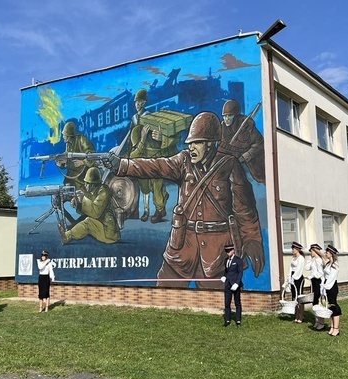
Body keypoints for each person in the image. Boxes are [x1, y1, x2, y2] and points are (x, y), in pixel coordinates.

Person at [104, 111, 264, 287]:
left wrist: (252, 240)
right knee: (163, 295)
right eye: (190, 143)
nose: (191, 148)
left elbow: (245, 209)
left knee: (220, 300)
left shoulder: (229, 165)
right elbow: (156, 166)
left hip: (216, 252)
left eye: (197, 143)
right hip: (181, 246)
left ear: (211, 144)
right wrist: (122, 165)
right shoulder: (183, 161)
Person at [126, 88, 177, 223]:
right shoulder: (134, 118)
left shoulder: (150, 117)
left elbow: (162, 136)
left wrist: (160, 138)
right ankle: (147, 211)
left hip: (153, 154)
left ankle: (160, 209)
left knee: (156, 184)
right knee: (145, 186)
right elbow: (131, 137)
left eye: (140, 101)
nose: (138, 104)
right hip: (141, 153)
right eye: (136, 101)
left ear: (144, 102)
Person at [61, 167, 120, 244]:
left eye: (87, 183)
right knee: (85, 219)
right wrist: (78, 203)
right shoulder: (94, 192)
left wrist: (83, 199)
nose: (85, 185)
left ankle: (67, 236)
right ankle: (69, 232)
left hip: (108, 233)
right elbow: (86, 210)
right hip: (102, 225)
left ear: (94, 184)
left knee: (88, 222)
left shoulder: (104, 192)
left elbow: (95, 212)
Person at [218, 99, 265, 183]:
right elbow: (221, 146)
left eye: (230, 116)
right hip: (233, 162)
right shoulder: (223, 127)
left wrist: (245, 156)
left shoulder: (248, 125)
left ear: (236, 116)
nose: (226, 119)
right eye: (225, 116)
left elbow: (260, 144)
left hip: (252, 164)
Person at [57, 121, 95, 191]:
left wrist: (82, 162)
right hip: (73, 173)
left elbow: (92, 155)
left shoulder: (82, 140)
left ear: (69, 136)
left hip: (84, 173)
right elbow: (67, 153)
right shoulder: (68, 143)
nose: (63, 137)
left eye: (64, 135)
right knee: (67, 187)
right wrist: (61, 160)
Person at [221, 244, 243, 326]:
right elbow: (227, 271)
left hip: (235, 285)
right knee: (227, 303)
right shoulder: (226, 260)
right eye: (226, 251)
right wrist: (224, 276)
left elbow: (240, 273)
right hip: (228, 284)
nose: (227, 253)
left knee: (237, 303)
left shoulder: (238, 260)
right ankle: (227, 320)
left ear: (233, 250)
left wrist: (237, 283)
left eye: (229, 251)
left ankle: (238, 321)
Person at [305, 243, 326, 330]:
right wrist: (310, 259)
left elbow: (320, 273)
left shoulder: (318, 260)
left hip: (318, 282)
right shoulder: (314, 260)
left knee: (318, 302)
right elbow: (307, 267)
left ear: (315, 251)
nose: (310, 252)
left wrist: (311, 276)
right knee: (314, 301)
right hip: (313, 282)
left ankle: (321, 322)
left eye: (311, 251)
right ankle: (317, 321)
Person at [323, 244, 341, 336]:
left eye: (327, 252)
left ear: (331, 254)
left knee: (334, 305)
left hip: (331, 286)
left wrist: (325, 286)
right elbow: (325, 276)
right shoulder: (328, 264)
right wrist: (322, 285)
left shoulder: (335, 265)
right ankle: (332, 327)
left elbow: (331, 278)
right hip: (326, 285)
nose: (326, 254)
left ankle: (336, 329)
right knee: (330, 306)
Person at [290, 242, 306, 323]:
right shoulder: (293, 258)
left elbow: (299, 269)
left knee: (299, 297)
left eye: (293, 249)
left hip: (298, 278)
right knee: (294, 297)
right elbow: (291, 268)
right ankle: (296, 315)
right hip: (293, 277)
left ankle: (301, 316)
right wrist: (289, 278)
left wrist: (294, 278)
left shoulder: (301, 258)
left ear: (297, 249)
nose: (292, 250)